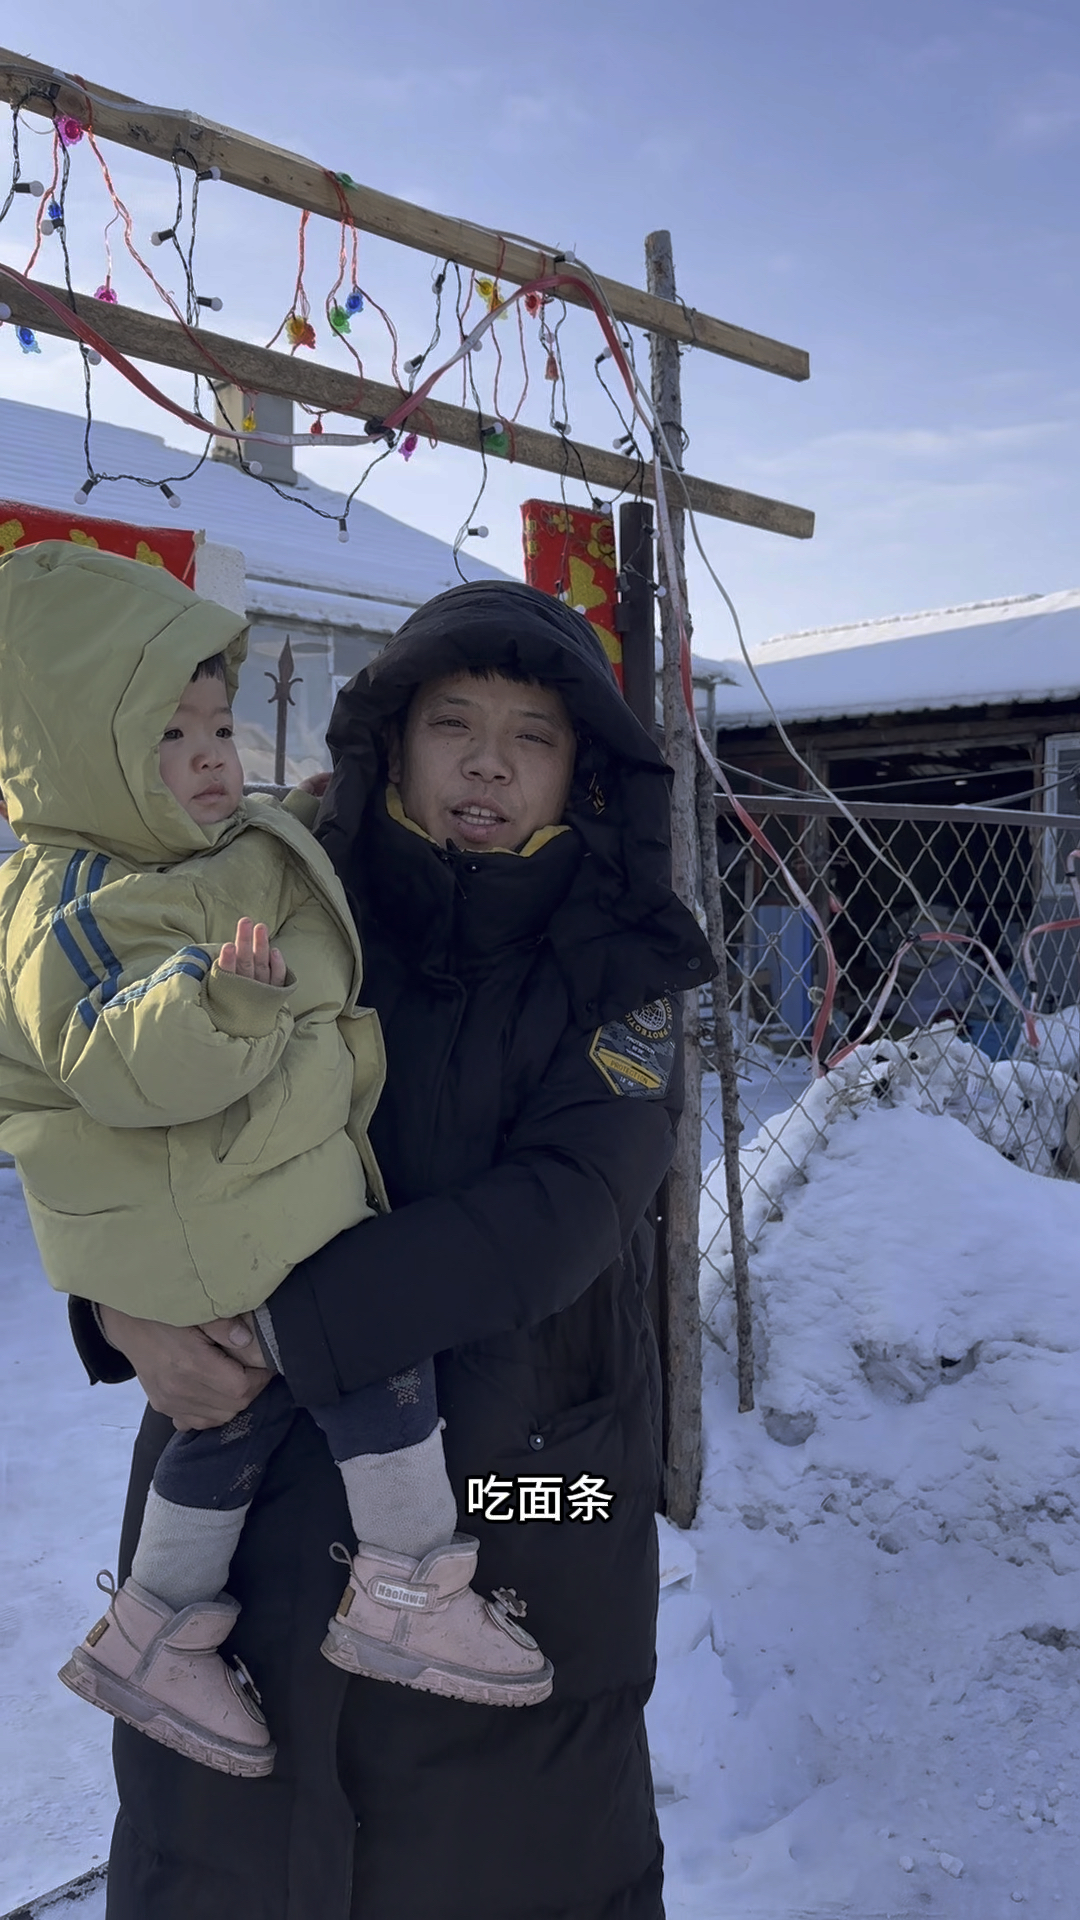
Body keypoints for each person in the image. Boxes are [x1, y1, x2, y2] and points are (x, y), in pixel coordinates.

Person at [69, 578, 716, 1920]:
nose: (488, 763)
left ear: (582, 768)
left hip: (527, 1490)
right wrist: (118, 1309)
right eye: (453, 723)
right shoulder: (265, 906)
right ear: (393, 742)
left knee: (505, 1854)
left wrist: (283, 1328)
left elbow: (564, 1211)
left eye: (533, 736)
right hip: (236, 1478)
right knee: (223, 1856)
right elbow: (122, 1110)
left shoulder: (619, 961)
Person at [0, 544, 552, 1781]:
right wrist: (223, 1009)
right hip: (210, 1217)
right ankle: (408, 1588)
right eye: (169, 734)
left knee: (233, 1413)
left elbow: (254, 873)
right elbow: (122, 1062)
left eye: (216, 724)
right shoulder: (78, 903)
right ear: (83, 751)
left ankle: (155, 1626)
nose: (212, 754)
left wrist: (301, 820)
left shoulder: (187, 847)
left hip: (237, 1205)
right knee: (369, 1361)